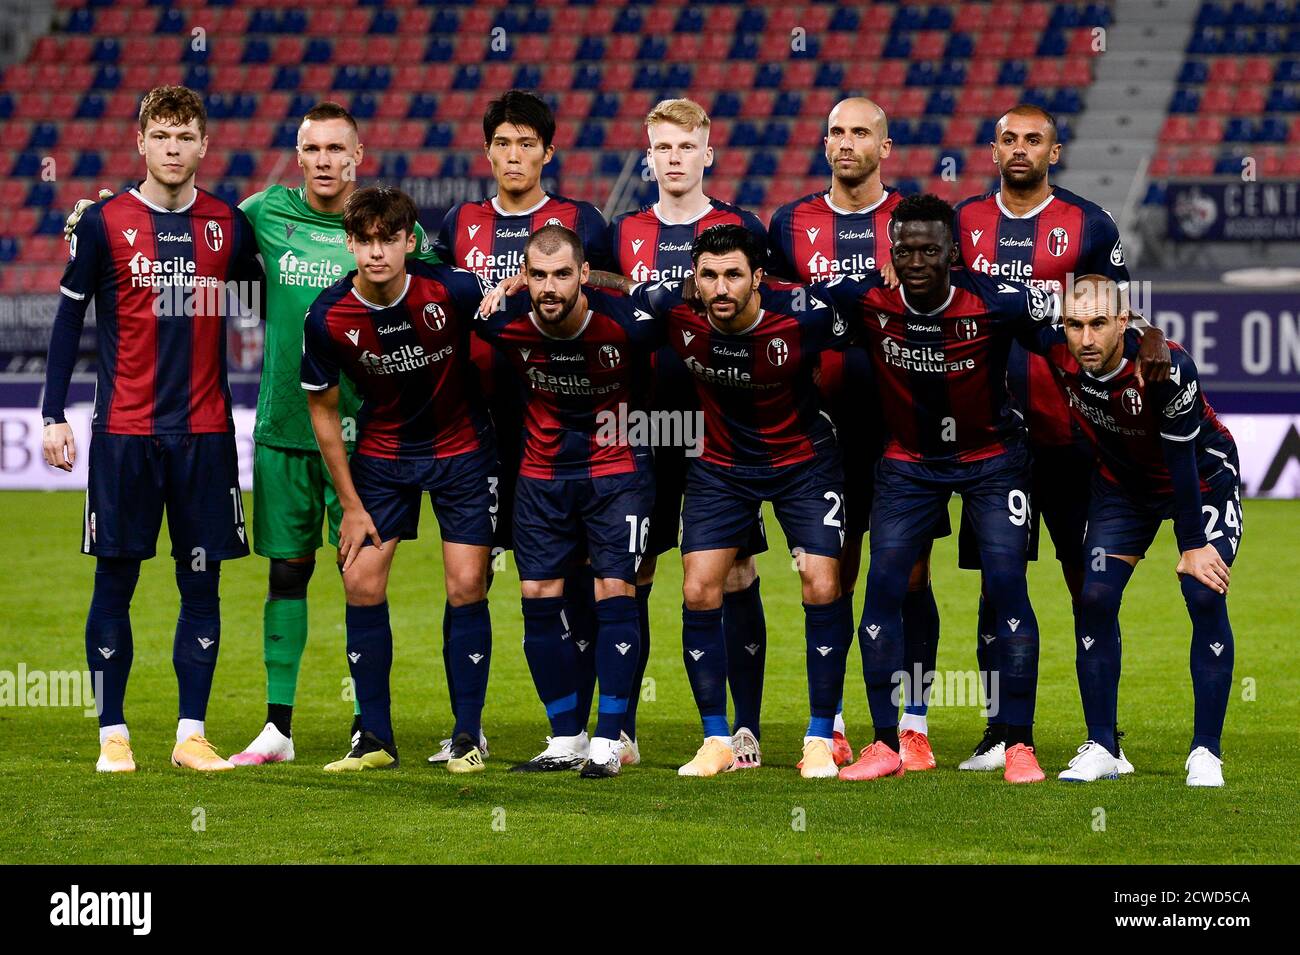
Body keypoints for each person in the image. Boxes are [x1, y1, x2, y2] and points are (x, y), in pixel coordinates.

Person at [42, 85, 261, 773]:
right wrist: (52, 412)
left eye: (184, 135)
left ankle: (190, 734)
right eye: (160, 135)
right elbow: (69, 320)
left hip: (205, 436)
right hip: (124, 434)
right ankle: (114, 733)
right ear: (140, 143)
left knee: (203, 587)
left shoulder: (230, 224)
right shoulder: (105, 224)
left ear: (203, 145)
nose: (172, 148)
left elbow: (273, 295)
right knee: (115, 582)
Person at [952, 104, 1168, 771]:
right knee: (997, 583)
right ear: (993, 151)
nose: (1020, 149)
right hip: (992, 442)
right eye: (1009, 139)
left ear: (1055, 150)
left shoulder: (1089, 224)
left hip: (1074, 438)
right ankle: (1003, 733)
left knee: (1089, 585)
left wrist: (1152, 350)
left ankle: (1106, 740)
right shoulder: (963, 223)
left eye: (1034, 140)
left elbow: (1125, 320)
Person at [815, 194, 1057, 783]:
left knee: (1006, 587)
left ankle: (1019, 745)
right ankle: (882, 743)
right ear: (890, 253)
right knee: (882, 588)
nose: (917, 261)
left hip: (993, 460)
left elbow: (1069, 340)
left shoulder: (997, 303)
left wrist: (1147, 334)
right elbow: (771, 294)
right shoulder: (866, 298)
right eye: (905, 250)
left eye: (929, 249)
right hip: (908, 463)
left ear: (954, 252)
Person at [433, 88, 613, 767]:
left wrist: (525, 286)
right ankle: (467, 729)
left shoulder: (582, 220)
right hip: (478, 426)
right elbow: (397, 256)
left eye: (526, 144)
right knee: (472, 577)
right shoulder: (458, 221)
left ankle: (589, 728)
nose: (514, 155)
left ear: (548, 151)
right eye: (502, 144)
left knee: (576, 577)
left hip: (563, 421)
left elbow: (620, 285)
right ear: (488, 152)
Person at [767, 96, 940, 771]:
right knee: (830, 575)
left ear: (886, 147)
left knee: (911, 577)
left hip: (902, 429)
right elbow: (774, 311)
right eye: (836, 131)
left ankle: (915, 721)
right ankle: (832, 718)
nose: (846, 142)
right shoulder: (790, 224)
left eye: (861, 132)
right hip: (821, 430)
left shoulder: (914, 224)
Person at [300, 187, 496, 773]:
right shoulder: (327, 314)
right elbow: (324, 412)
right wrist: (351, 505)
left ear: (410, 241)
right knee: (360, 583)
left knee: (466, 586)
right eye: (366, 240)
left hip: (463, 452)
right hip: (383, 458)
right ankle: (375, 739)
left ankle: (467, 737)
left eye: (390, 239)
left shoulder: (453, 289)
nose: (377, 252)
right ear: (350, 243)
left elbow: (498, 353)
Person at [607, 98, 771, 769]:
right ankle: (621, 728)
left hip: (720, 428)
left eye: (686, 147)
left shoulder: (741, 228)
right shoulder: (620, 233)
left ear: (708, 153)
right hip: (643, 426)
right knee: (635, 568)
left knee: (734, 570)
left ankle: (745, 727)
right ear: (648, 157)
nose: (674, 159)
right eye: (662, 148)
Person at [1029, 276, 1240, 787]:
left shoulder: (1164, 367)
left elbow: (1180, 457)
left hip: (1201, 478)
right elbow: (989, 304)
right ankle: (1104, 746)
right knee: (1094, 597)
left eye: (1099, 324)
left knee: (1202, 591)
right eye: (1075, 325)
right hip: (1122, 486)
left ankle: (1205, 752)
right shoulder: (1052, 343)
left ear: (1123, 322)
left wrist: (1192, 545)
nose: (1085, 339)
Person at [476, 225, 658, 777]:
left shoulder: (628, 324)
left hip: (617, 471)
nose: (549, 287)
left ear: (583, 275)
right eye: (538, 275)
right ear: (522, 278)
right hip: (541, 475)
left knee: (614, 592)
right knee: (537, 596)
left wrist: (612, 279)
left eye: (561, 274)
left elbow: (672, 298)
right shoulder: (501, 321)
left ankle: (609, 739)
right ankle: (565, 738)